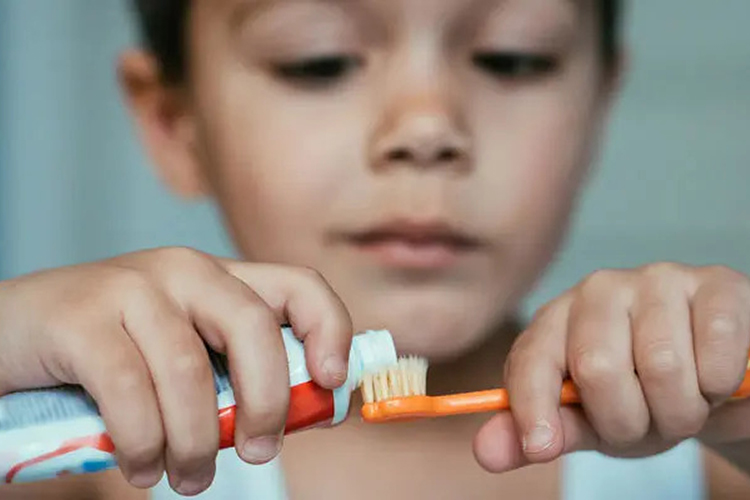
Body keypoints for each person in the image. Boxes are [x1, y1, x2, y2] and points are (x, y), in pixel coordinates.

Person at [1, 0, 749, 498]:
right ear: (173, 120)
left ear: (598, 111)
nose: (426, 127)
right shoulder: (84, 477)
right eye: (318, 61)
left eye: (511, 59)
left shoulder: (704, 462)